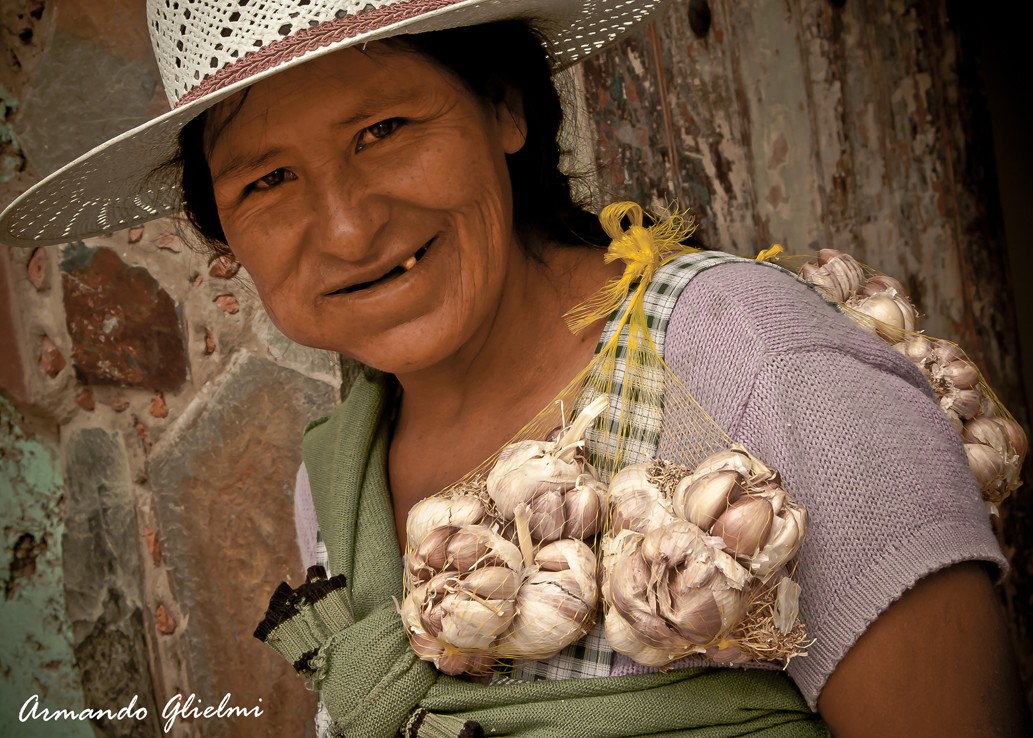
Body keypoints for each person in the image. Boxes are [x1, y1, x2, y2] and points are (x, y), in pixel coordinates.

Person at [2, 2, 1029, 736]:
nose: (350, 226)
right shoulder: (337, 476)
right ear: (221, 229)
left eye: (384, 130)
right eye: (268, 180)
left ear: (504, 106)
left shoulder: (752, 363)